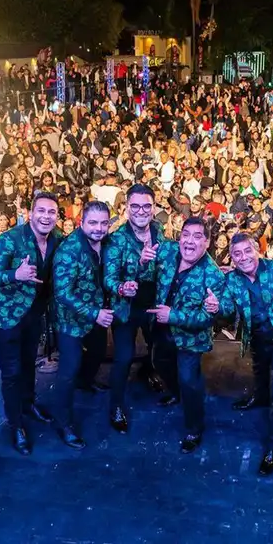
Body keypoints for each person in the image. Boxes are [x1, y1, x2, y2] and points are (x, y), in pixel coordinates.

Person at [202, 233, 273, 476]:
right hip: (258, 339)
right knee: (259, 371)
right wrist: (217, 307)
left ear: (257, 250)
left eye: (247, 251)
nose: (243, 258)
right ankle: (259, 397)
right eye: (237, 254)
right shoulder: (233, 281)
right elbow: (228, 311)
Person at [0, 191, 62, 455]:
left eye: (51, 212)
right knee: (12, 372)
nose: (46, 216)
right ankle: (15, 423)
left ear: (57, 216)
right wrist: (14, 274)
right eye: (41, 211)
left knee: (29, 364)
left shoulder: (57, 240)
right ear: (31, 213)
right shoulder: (10, 239)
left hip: (33, 315)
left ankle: (28, 404)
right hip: (6, 317)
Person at [146, 217, 225, 454]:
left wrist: (173, 316)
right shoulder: (168, 250)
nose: (189, 241)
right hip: (160, 329)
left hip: (190, 340)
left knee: (189, 380)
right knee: (160, 363)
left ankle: (194, 428)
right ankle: (175, 393)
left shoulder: (213, 276)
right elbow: (148, 269)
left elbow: (206, 319)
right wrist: (143, 261)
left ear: (207, 242)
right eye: (185, 235)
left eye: (197, 236)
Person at [103, 183, 167, 434]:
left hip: (153, 304)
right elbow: (109, 279)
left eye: (147, 206)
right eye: (135, 206)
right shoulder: (116, 239)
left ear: (154, 207)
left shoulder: (159, 229)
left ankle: (149, 372)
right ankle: (115, 406)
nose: (141, 211)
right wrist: (123, 286)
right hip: (126, 307)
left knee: (156, 347)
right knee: (123, 357)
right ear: (126, 208)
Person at [50, 201, 114, 449]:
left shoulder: (106, 243)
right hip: (71, 320)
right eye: (93, 223)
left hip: (96, 314)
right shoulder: (69, 251)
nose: (99, 228)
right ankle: (64, 424)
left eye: (103, 223)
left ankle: (86, 382)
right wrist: (94, 313)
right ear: (81, 223)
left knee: (98, 352)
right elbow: (63, 293)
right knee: (68, 371)